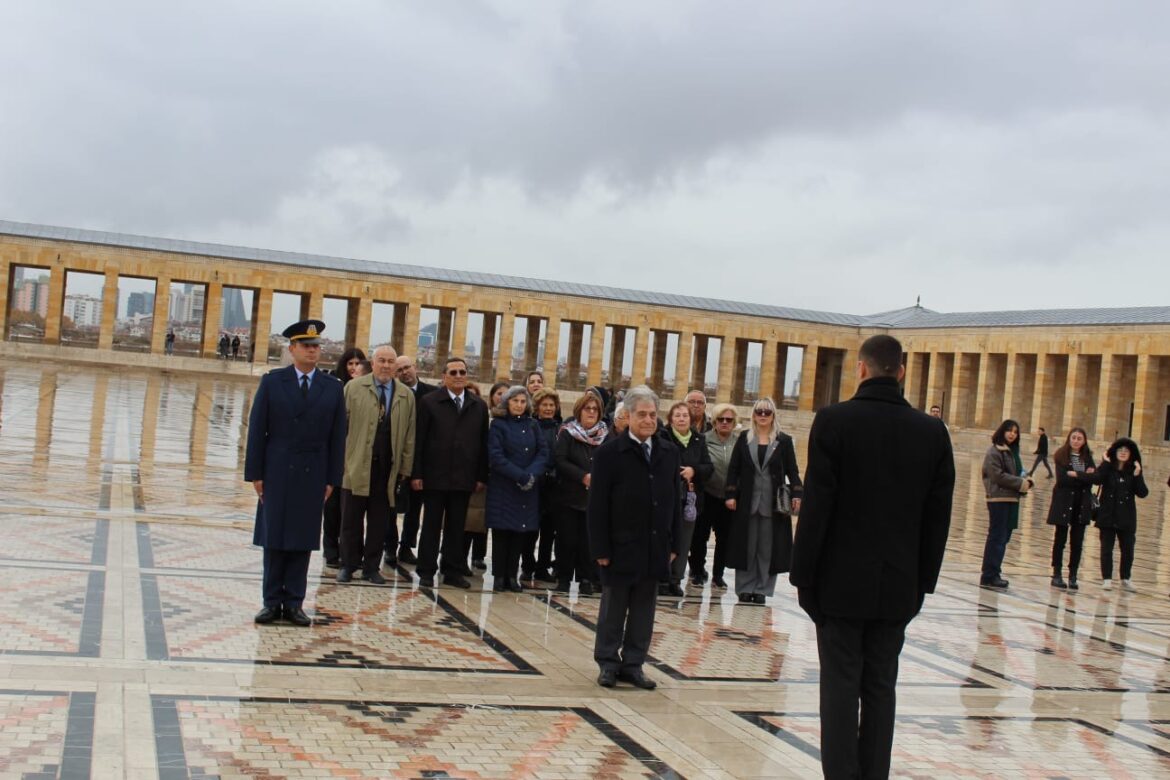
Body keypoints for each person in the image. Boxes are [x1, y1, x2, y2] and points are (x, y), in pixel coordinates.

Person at [790, 334, 955, 780]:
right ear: (900, 372)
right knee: (881, 687)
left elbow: (817, 506)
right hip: (898, 585)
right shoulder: (931, 432)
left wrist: (803, 577)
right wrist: (922, 583)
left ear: (861, 368)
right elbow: (938, 517)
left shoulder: (834, 420)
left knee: (840, 687)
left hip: (839, 584)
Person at [245, 319, 346, 627]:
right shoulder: (273, 382)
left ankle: (294, 603)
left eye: (316, 346)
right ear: (292, 349)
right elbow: (257, 430)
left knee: (302, 539)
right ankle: (271, 602)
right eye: (306, 346)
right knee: (274, 537)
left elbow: (337, 437)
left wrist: (332, 479)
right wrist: (256, 474)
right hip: (277, 471)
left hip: (312, 473)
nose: (312, 351)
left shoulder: (332, 387)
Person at [588, 386, 681, 690]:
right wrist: (600, 548)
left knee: (643, 610)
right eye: (642, 414)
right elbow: (597, 505)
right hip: (620, 544)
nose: (648, 420)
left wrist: (675, 544)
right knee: (613, 609)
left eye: (653, 414)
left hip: (654, 544)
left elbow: (675, 501)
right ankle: (607, 663)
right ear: (627, 416)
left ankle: (634, 664)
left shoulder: (669, 452)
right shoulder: (609, 453)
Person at [337, 345, 415, 586]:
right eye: (381, 360)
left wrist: (405, 468)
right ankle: (348, 564)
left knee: (379, 521)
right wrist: (340, 461)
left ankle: (371, 566)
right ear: (372, 363)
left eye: (391, 362)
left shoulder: (405, 395)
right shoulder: (354, 388)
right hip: (356, 464)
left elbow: (410, 435)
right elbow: (340, 427)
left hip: (386, 468)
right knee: (351, 519)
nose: (386, 366)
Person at [411, 356, 489, 588]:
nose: (458, 376)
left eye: (462, 372)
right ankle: (426, 570)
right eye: (453, 372)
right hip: (435, 476)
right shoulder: (429, 402)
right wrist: (417, 474)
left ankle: (452, 570)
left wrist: (481, 476)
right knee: (431, 525)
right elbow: (419, 440)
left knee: (456, 527)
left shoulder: (478, 406)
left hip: (464, 476)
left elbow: (483, 444)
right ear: (444, 376)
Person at [724, 397, 802, 604]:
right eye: (759, 411)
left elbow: (792, 470)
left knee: (767, 549)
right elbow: (734, 469)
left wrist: (797, 493)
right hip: (747, 501)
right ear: (754, 415)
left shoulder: (783, 440)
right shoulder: (744, 438)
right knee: (747, 546)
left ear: (773, 415)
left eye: (767, 412)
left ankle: (762, 589)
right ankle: (745, 588)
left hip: (772, 503)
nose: (763, 415)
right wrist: (730, 494)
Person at [486, 386, 549, 592]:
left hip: (527, 487)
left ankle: (512, 575)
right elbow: (496, 456)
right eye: (515, 401)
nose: (519, 405)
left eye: (523, 401)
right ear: (507, 402)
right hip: (504, 485)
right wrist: (520, 476)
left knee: (519, 532)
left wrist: (531, 474)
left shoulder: (533, 425)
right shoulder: (498, 425)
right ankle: (499, 576)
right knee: (502, 532)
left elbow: (543, 452)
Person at [553, 391, 608, 595]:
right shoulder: (568, 432)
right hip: (569, 495)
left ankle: (586, 578)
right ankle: (564, 578)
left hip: (594, 498)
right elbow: (560, 460)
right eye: (587, 408)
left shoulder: (605, 435)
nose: (591, 412)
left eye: (595, 409)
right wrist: (582, 476)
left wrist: (597, 477)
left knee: (588, 541)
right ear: (579, 411)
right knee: (567, 540)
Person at [658, 401, 713, 597]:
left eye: (685, 415)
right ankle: (662, 578)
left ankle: (675, 579)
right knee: (665, 538)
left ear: (691, 419)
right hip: (666, 497)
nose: (681, 419)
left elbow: (708, 467)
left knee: (684, 540)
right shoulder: (662, 437)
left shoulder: (699, 439)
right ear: (670, 419)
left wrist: (693, 470)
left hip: (689, 499)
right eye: (677, 415)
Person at [322, 347, 369, 566]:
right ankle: (331, 551)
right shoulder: (334, 387)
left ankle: (351, 552)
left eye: (358, 363)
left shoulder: (369, 390)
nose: (354, 367)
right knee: (332, 508)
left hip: (357, 459)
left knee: (353, 510)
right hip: (336, 457)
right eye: (350, 363)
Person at [390, 355, 437, 566]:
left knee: (414, 508)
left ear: (415, 367)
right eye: (399, 370)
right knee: (390, 505)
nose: (404, 372)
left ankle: (407, 546)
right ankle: (389, 546)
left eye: (407, 367)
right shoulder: (392, 392)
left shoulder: (433, 394)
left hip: (422, 460)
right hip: (396, 457)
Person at [979, 419, 1033, 589]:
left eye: (1015, 432)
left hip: (1011, 499)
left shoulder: (1012, 452)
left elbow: (1018, 471)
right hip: (998, 499)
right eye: (1009, 430)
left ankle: (994, 572)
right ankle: (989, 575)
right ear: (1002, 431)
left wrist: (1027, 478)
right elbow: (997, 476)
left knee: (1004, 538)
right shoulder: (994, 451)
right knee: (997, 537)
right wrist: (1021, 483)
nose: (1012, 434)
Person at [690, 403, 737, 588]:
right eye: (720, 419)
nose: (725, 423)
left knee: (724, 539)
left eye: (729, 420)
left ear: (734, 422)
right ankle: (697, 571)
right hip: (707, 494)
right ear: (714, 422)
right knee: (700, 536)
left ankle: (718, 575)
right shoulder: (703, 439)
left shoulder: (739, 442)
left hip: (729, 498)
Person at [1092, 437, 1149, 591]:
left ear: (1131, 454)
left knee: (1128, 550)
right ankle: (1107, 579)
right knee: (1106, 549)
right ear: (1114, 452)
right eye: (1120, 450)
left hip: (1126, 517)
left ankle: (1125, 578)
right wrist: (1105, 463)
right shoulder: (1108, 468)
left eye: (1126, 450)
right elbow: (1096, 480)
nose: (1123, 453)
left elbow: (1143, 493)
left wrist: (1137, 474)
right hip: (1107, 515)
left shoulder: (1133, 471)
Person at [1046, 427, 1095, 590]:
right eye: (1073, 437)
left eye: (1079, 438)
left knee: (1077, 541)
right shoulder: (1061, 455)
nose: (1076, 441)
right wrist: (1084, 476)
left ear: (1084, 441)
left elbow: (1093, 479)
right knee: (1060, 539)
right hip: (1064, 502)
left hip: (1081, 504)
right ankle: (1057, 574)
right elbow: (1062, 480)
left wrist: (1076, 475)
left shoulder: (1088, 457)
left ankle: (1073, 575)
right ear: (1069, 438)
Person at [524, 387, 562, 582]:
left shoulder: (560, 429)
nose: (548, 408)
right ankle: (527, 565)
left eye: (551, 405)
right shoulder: (531, 426)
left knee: (549, 530)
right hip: (535, 483)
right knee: (531, 529)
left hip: (554, 486)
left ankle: (542, 568)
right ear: (537, 407)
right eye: (544, 405)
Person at [460, 382, 488, 574]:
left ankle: (475, 556)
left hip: (476, 475)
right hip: (455, 475)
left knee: (476, 520)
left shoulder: (481, 414)